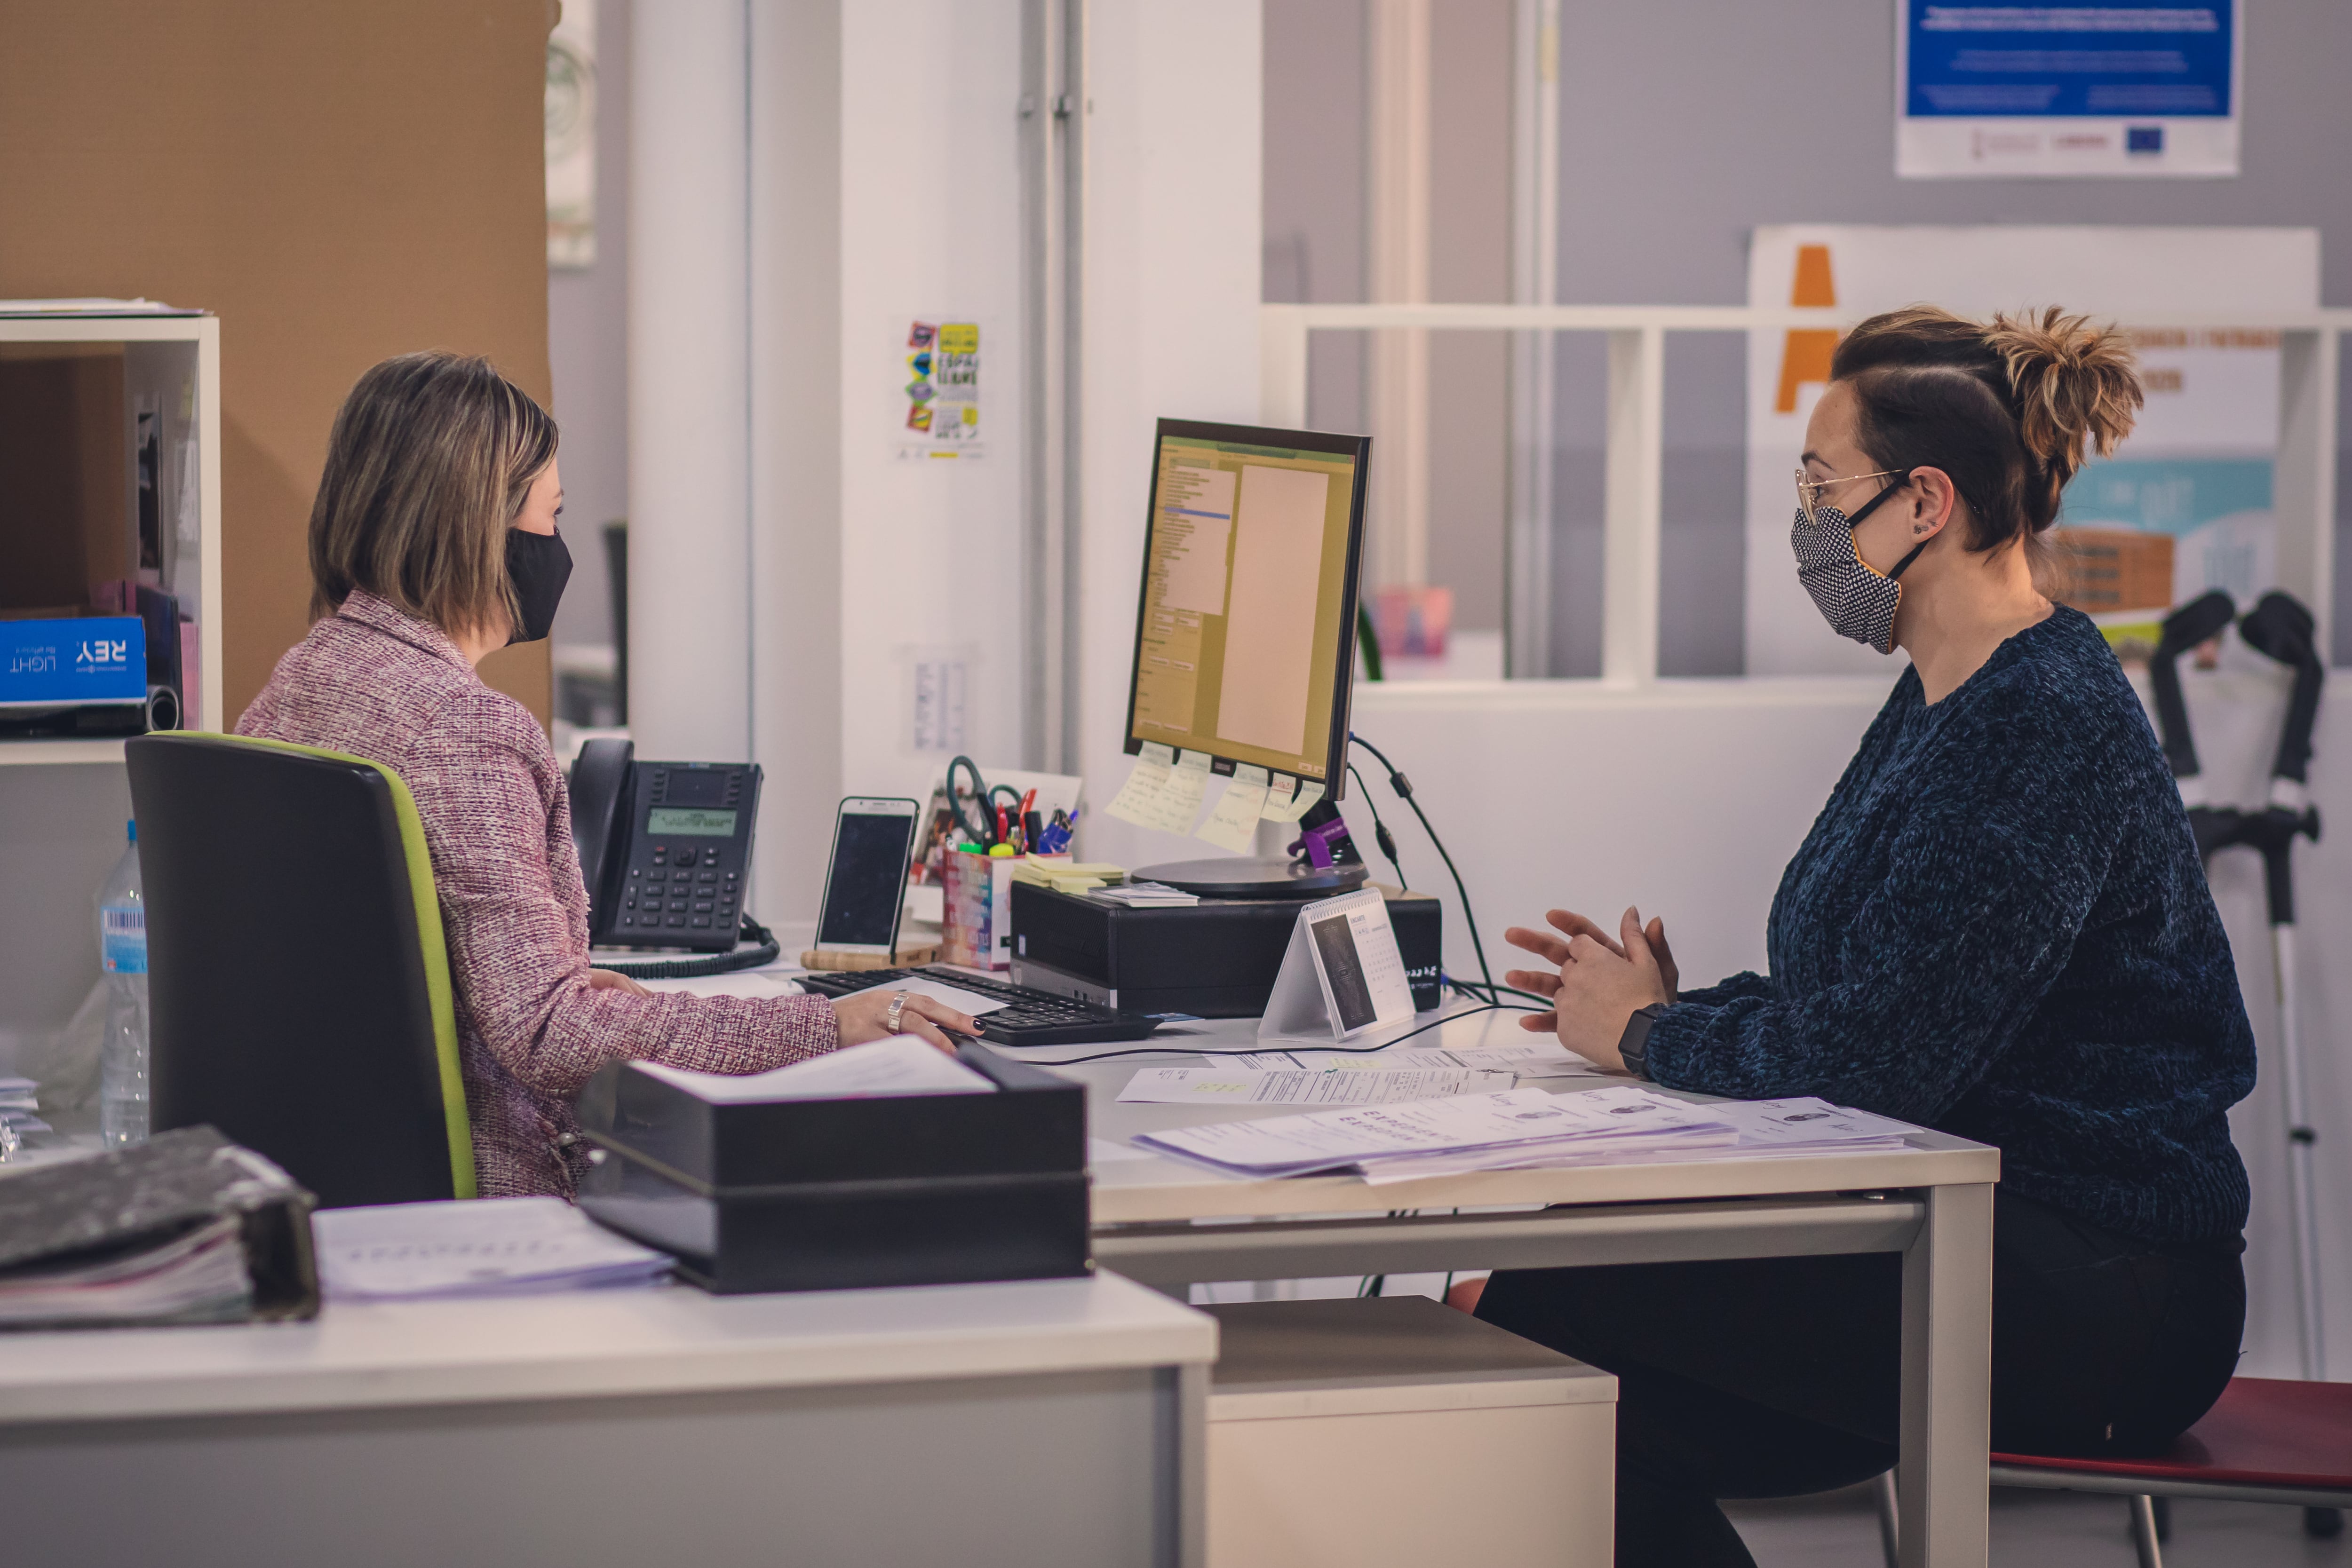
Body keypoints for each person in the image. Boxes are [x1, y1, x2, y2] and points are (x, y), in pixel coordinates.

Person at [1484, 306, 2257, 1567]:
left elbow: (1879, 1059)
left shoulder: (2039, 722)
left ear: (1926, 503)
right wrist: (1672, 1017)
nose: (1804, 520)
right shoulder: (1949, 692)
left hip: (2101, 1280)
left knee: (1536, 1316)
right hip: (1982, 1228)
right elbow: (1855, 997)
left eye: (1819, 483)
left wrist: (1648, 1033)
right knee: (1554, 1374)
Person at [239, 351, 977, 1197]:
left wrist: (578, 988)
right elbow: (547, 1033)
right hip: (500, 1196)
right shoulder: (464, 728)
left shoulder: (301, 683)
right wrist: (826, 1026)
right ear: (477, 528)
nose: (556, 547)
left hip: (328, 1184)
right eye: (549, 517)